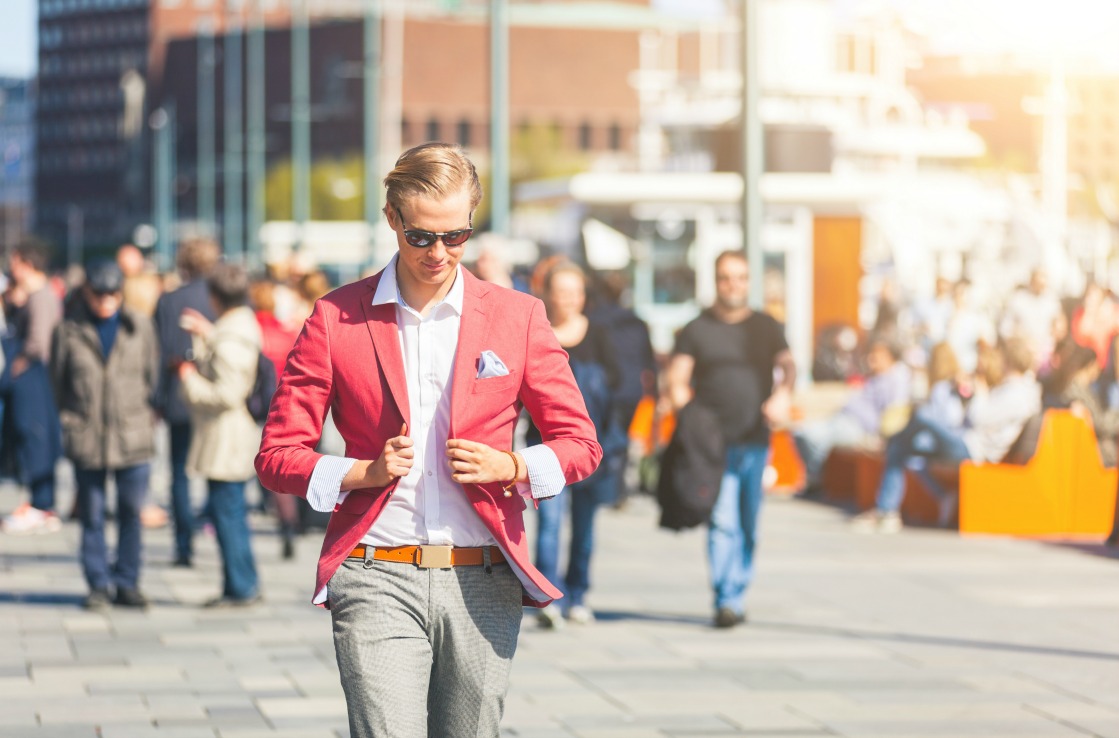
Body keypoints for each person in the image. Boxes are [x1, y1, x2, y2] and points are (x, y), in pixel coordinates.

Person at [254, 142, 601, 737]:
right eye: (421, 237)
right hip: (375, 569)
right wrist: (359, 473)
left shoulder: (517, 317)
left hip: (484, 574)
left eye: (456, 237)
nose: (439, 253)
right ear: (392, 218)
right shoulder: (336, 318)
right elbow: (277, 454)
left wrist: (513, 465)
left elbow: (580, 443)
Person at [664, 249, 795, 629]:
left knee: (749, 521)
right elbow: (677, 378)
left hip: (755, 439)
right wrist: (689, 416)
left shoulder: (766, 326)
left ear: (748, 282)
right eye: (725, 277)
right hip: (712, 445)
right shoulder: (696, 329)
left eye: (739, 277)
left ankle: (738, 586)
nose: (732, 284)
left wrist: (784, 393)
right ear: (716, 281)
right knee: (722, 521)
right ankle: (726, 599)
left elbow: (787, 365)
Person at [51, 261, 159, 610]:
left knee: (131, 511)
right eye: (99, 294)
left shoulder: (139, 326)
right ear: (87, 293)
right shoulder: (68, 331)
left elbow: (152, 376)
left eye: (113, 293)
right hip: (88, 434)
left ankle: (127, 582)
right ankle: (98, 584)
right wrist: (69, 418)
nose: (106, 301)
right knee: (92, 514)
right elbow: (57, 382)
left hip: (132, 433)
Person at [853, 338, 1041, 533]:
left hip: (973, 449)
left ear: (1007, 361)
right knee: (899, 448)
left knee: (922, 415)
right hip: (965, 441)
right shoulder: (1010, 389)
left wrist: (980, 388)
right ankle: (886, 512)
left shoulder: (1018, 393)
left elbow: (978, 417)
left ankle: (893, 441)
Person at [532, 261, 620, 629]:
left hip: (590, 447)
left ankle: (579, 594)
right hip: (546, 446)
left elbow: (618, 386)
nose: (569, 299)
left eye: (575, 291)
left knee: (584, 526)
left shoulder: (599, 334)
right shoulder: (538, 331)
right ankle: (550, 595)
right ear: (548, 294)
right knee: (549, 524)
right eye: (562, 291)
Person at [178, 263, 263, 607]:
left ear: (215, 297)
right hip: (229, 437)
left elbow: (228, 393)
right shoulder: (238, 327)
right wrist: (207, 333)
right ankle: (239, 583)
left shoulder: (232, 337)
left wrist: (188, 378)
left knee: (228, 515)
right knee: (230, 513)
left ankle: (241, 585)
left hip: (227, 438)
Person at [152, 237, 220, 567]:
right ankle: (220, 538)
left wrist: (156, 399)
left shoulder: (169, 300)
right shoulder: (223, 298)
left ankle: (183, 546)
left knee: (179, 472)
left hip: (180, 394)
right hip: (215, 398)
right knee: (216, 472)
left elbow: (160, 351)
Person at [1, 237, 64, 534]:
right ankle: (40, 502)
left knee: (36, 438)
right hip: (33, 376)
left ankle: (42, 504)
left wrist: (16, 367)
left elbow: (39, 342)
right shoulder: (35, 295)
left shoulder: (42, 296)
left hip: (35, 377)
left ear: (27, 263)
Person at [792, 337, 912, 493]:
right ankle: (815, 475)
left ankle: (816, 476)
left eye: (877, 354)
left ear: (890, 357)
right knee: (801, 431)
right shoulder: (876, 377)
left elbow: (894, 413)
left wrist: (883, 437)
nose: (871, 358)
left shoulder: (896, 379)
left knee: (811, 435)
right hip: (843, 419)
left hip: (860, 428)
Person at [249, 277, 301, 559]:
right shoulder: (287, 331)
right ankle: (291, 524)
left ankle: (278, 515)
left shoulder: (254, 328)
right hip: (290, 403)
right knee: (288, 461)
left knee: (266, 460)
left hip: (260, 404)